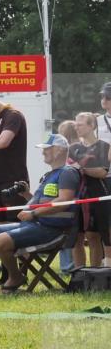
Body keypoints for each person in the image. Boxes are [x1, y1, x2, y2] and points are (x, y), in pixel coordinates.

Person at [0, 134, 80, 294]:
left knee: (0, 242)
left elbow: (64, 201)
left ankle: (16, 276)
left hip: (51, 229)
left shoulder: (67, 172)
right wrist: (27, 196)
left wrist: (34, 213)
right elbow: (44, 201)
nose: (43, 153)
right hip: (35, 224)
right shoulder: (50, 175)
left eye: (46, 149)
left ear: (58, 151)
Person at [69, 112, 110, 269]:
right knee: (76, 238)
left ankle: (95, 274)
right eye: (75, 124)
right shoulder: (73, 148)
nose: (76, 127)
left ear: (92, 126)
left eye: (80, 124)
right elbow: (69, 169)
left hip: (96, 195)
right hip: (76, 196)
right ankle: (79, 275)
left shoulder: (104, 146)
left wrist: (82, 168)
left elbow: (102, 172)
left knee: (94, 236)